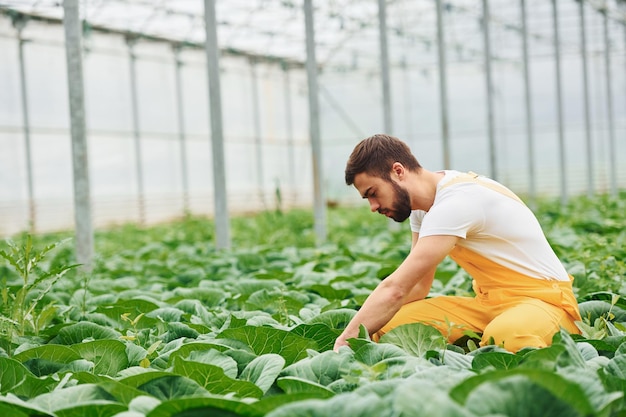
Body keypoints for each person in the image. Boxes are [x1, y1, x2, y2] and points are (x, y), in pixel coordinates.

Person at [333, 134, 581, 353]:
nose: (373, 207)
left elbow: (397, 288)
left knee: (507, 337)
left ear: (398, 171)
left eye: (373, 193)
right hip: (488, 304)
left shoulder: (457, 202)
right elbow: (417, 286)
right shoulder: (423, 207)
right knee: (389, 326)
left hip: (543, 301)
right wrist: (374, 321)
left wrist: (346, 339)